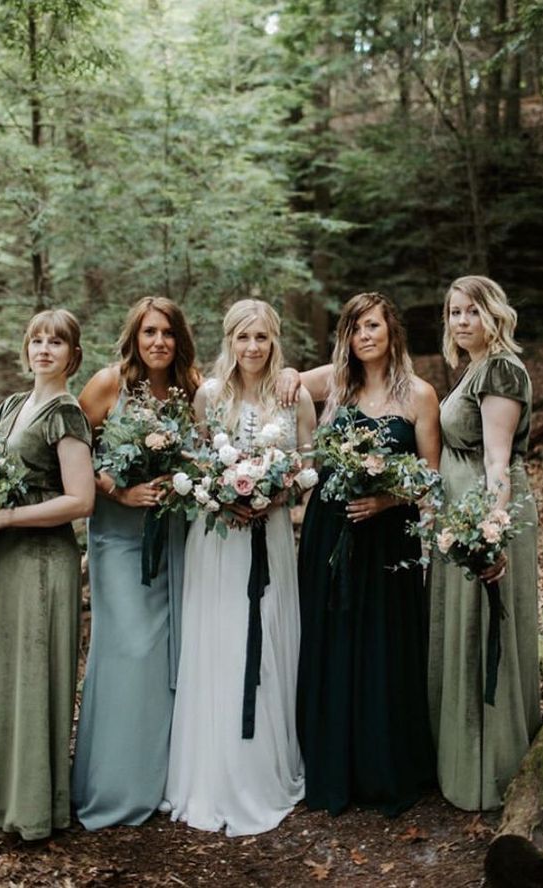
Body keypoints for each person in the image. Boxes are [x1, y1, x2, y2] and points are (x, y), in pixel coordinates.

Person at [162, 299, 316, 836]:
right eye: (243, 338)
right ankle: (214, 772)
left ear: (275, 342)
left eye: (262, 338)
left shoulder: (291, 396)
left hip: (270, 536)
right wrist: (222, 497)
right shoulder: (209, 396)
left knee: (268, 639)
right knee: (220, 643)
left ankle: (263, 769)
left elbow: (307, 465)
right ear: (228, 340)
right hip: (219, 542)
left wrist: (275, 496)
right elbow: (198, 464)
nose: (252, 348)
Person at [291, 292, 440, 816]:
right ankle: (333, 766)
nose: (365, 336)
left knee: (382, 643)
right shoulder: (335, 384)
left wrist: (386, 498)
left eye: (373, 326)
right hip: (330, 533)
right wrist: (287, 375)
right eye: (355, 329)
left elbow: (430, 479)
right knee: (332, 641)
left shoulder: (420, 395)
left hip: (388, 536)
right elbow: (285, 378)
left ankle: (384, 766)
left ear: (391, 331)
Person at [0, 309, 94, 841]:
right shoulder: (12, 407)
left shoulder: (66, 414)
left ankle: (32, 809)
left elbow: (81, 500)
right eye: (37, 340)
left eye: (57, 342)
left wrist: (3, 517)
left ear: (72, 356)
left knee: (31, 680)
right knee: (0, 676)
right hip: (3, 560)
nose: (45, 350)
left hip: (40, 563)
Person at [71, 297, 201, 830]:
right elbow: (77, 453)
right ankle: (115, 783)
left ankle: (164, 777)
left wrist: (180, 478)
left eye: (167, 333)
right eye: (149, 332)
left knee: (169, 653)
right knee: (128, 650)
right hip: (119, 537)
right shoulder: (108, 384)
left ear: (179, 339)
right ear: (135, 335)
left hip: (172, 534)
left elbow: (202, 455)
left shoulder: (191, 387)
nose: (158, 342)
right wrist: (117, 491)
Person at [428, 275, 540, 811]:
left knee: (483, 631)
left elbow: (498, 462)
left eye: (472, 311)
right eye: (454, 312)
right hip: (464, 515)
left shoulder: (499, 369)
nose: (461, 320)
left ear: (494, 313)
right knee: (466, 630)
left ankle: (488, 769)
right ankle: (460, 756)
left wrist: (491, 536)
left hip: (484, 518)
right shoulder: (474, 368)